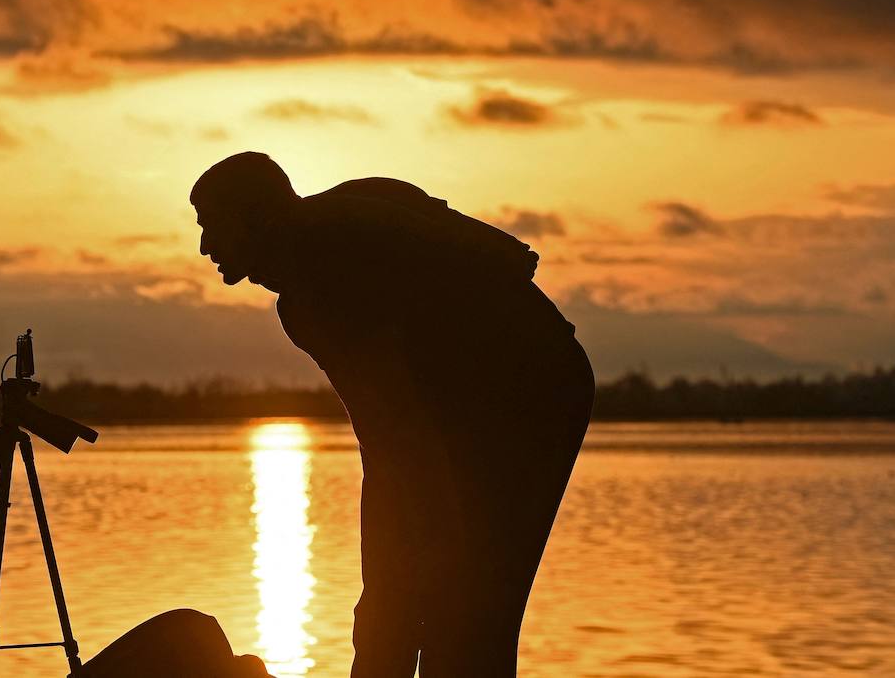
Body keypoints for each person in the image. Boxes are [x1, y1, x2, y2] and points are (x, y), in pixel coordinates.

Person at [190, 152, 594, 678]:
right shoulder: (337, 231)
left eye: (211, 225)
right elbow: (392, 442)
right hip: (470, 407)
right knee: (416, 602)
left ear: (255, 214)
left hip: (535, 394)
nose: (205, 247)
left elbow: (397, 437)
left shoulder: (319, 285)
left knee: (472, 609)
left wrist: (387, 588)